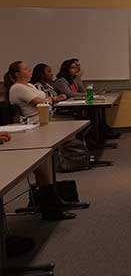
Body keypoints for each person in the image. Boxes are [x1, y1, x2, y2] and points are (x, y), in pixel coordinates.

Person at [3, 61, 79, 220]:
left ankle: (53, 199)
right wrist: (53, 99)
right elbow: (42, 101)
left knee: (50, 155)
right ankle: (50, 205)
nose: (29, 71)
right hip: (30, 128)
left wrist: (51, 99)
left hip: (42, 122)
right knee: (44, 160)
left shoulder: (30, 86)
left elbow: (47, 98)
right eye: (26, 69)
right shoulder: (17, 88)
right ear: (17, 74)